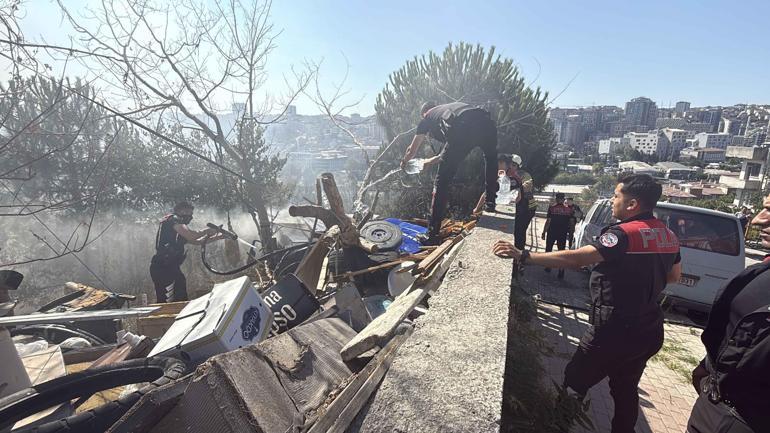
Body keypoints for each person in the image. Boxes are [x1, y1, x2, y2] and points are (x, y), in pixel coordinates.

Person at [493, 174, 682, 433]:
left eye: (616, 196)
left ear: (632, 204)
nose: (613, 201)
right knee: (625, 389)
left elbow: (578, 260)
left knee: (574, 382)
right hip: (648, 328)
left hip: (614, 327)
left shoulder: (622, 234)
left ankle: (559, 425)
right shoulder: (668, 235)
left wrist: (526, 256)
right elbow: (673, 276)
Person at [687, 193, 770, 433]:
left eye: (769, 210)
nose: (757, 220)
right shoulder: (760, 271)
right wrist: (709, 368)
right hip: (714, 406)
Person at [401, 101, 498, 242]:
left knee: (442, 181)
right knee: (491, 160)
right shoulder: (448, 108)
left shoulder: (427, 118)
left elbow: (412, 149)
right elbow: (445, 153)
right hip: (486, 122)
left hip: (462, 128)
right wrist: (431, 161)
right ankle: (490, 202)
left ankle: (432, 234)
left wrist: (404, 162)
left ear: (424, 113)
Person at [150, 201, 223, 303]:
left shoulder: (178, 231)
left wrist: (220, 237)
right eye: (189, 213)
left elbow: (198, 241)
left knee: (180, 298)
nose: (190, 217)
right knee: (168, 303)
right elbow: (191, 235)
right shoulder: (173, 220)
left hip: (172, 268)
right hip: (163, 268)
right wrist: (207, 231)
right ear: (181, 210)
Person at [542, 193, 574, 279]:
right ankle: (561, 270)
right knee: (561, 252)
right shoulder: (569, 209)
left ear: (556, 199)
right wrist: (571, 234)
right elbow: (571, 223)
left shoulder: (551, 208)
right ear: (563, 199)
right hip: (562, 233)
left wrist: (544, 232)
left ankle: (548, 266)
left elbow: (548, 221)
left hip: (552, 231)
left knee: (549, 249)